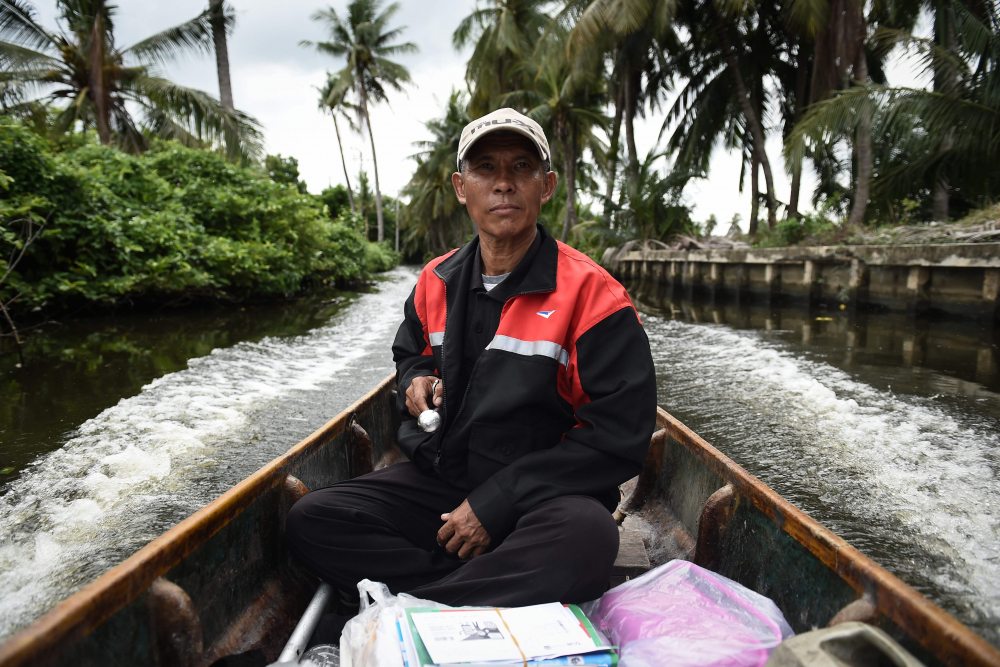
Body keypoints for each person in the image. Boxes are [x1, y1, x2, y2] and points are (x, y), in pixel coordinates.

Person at [285, 108, 656, 623]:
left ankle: (414, 607)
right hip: (446, 478)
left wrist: (498, 500)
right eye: (485, 168)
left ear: (546, 186)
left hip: (544, 497)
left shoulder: (596, 297)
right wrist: (414, 380)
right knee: (312, 519)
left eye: (521, 166)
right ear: (462, 187)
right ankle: (467, 593)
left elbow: (618, 438)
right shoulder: (434, 281)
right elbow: (409, 352)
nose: (503, 183)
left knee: (587, 539)